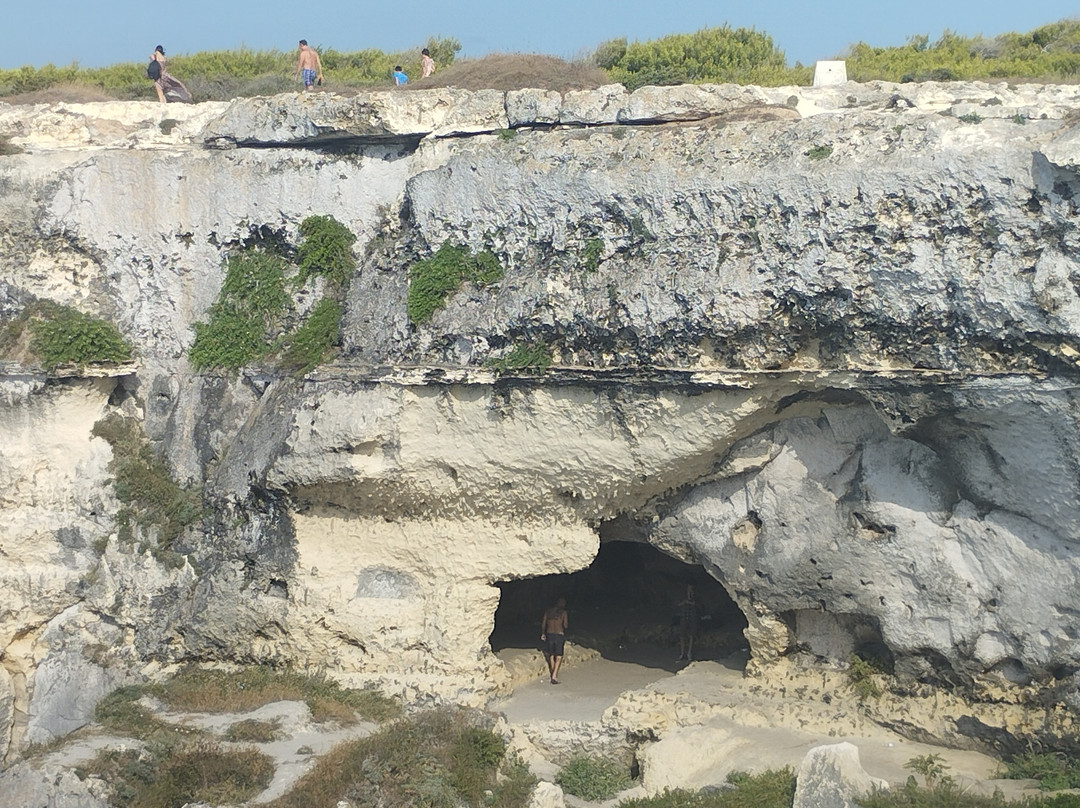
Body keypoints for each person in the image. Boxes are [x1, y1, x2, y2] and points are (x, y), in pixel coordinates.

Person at [540, 598, 568, 684]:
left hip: (550, 634)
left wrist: (543, 633)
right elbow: (565, 625)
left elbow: (543, 623)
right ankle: (554, 676)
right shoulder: (563, 613)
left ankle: (553, 672)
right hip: (559, 634)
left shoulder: (548, 612)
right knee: (559, 656)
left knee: (551, 654)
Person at [677, 584, 699, 662]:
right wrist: (685, 601)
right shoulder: (683, 596)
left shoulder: (695, 596)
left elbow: (696, 604)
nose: (689, 590)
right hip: (684, 617)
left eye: (691, 588)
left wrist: (690, 600)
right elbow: (678, 604)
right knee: (682, 635)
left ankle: (689, 653)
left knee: (691, 635)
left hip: (692, 618)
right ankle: (682, 653)